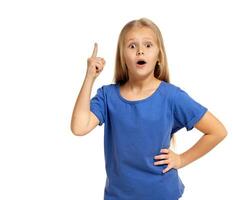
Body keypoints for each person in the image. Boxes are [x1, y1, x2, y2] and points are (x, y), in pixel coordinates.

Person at [70, 17, 227, 200]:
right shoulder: (108, 96)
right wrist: (89, 77)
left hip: (162, 194)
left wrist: (181, 159)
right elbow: (79, 127)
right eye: (132, 46)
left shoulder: (172, 97)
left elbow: (217, 131)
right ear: (122, 56)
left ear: (159, 55)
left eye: (148, 45)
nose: (140, 51)